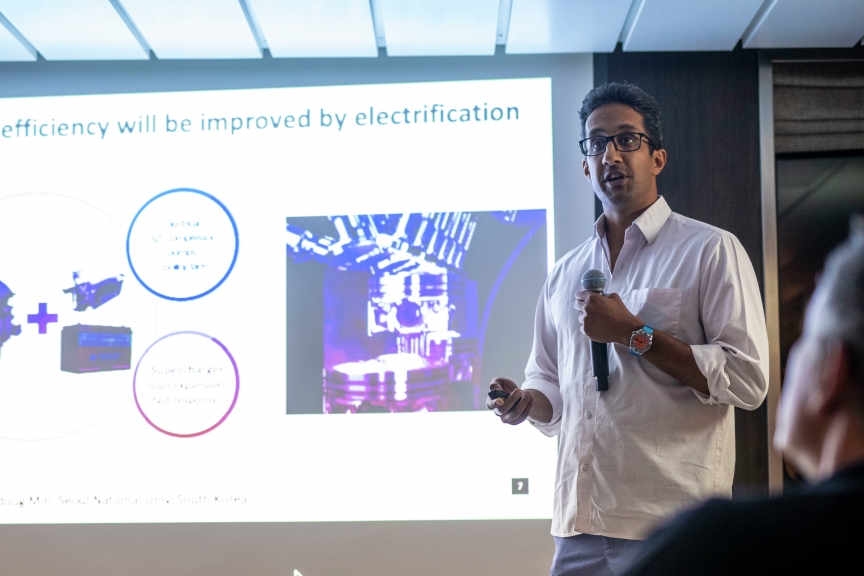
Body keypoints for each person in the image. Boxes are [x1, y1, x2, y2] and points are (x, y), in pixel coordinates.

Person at [487, 82, 769, 576]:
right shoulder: (563, 272)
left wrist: (634, 334)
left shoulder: (709, 250)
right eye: (596, 143)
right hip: (578, 527)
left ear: (657, 157)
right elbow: (549, 380)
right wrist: (527, 402)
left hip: (671, 525)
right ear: (584, 165)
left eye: (626, 140)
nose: (610, 154)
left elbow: (747, 380)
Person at [619, 218, 864, 575]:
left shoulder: (717, 548)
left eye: (805, 337)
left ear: (831, 372)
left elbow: (746, 378)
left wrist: (632, 333)